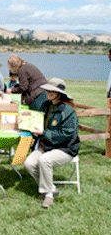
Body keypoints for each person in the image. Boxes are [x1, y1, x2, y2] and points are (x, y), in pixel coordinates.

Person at [24, 78, 80, 209]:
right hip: (47, 145)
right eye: (48, 90)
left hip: (65, 148)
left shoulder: (68, 111)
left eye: (52, 91)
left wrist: (44, 133)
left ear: (59, 93)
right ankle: (51, 187)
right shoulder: (47, 105)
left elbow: (67, 135)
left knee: (44, 160)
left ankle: (48, 195)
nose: (48, 92)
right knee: (29, 163)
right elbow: (37, 121)